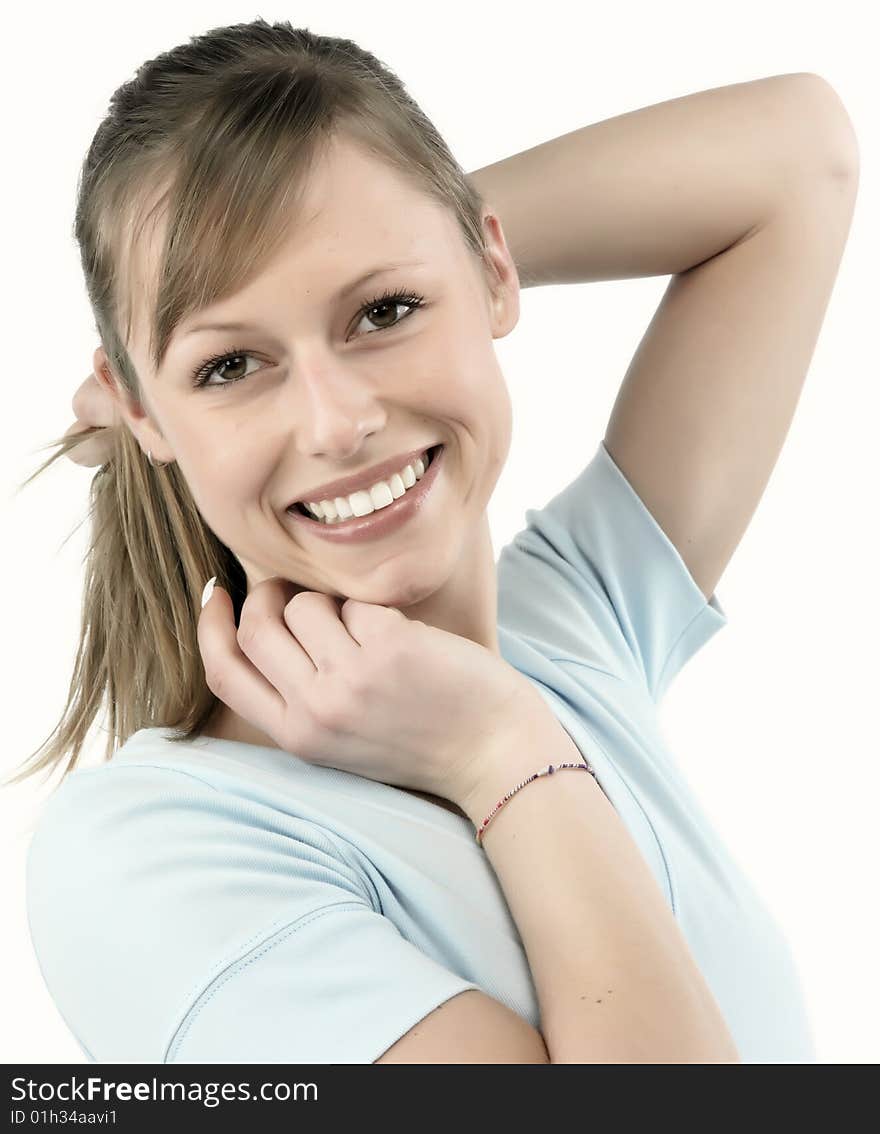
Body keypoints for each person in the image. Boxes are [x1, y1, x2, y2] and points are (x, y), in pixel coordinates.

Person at [14, 21, 857, 1064]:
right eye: (230, 366)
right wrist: (500, 752)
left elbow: (798, 152)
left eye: (386, 309)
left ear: (492, 268)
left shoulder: (571, 630)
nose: (334, 423)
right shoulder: (154, 854)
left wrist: (421, 223)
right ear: (144, 412)